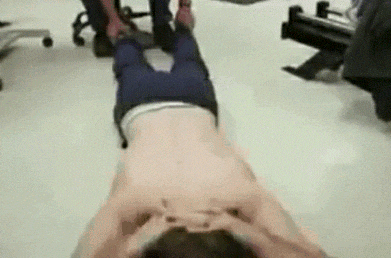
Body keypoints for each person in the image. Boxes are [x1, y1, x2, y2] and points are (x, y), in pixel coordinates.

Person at [71, 14, 334, 258]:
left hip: (159, 102)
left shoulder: (239, 197)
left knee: (164, 63)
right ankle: (155, 31)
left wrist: (135, 243)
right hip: (171, 102)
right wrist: (243, 231)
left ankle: (148, 31)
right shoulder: (241, 196)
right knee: (149, 64)